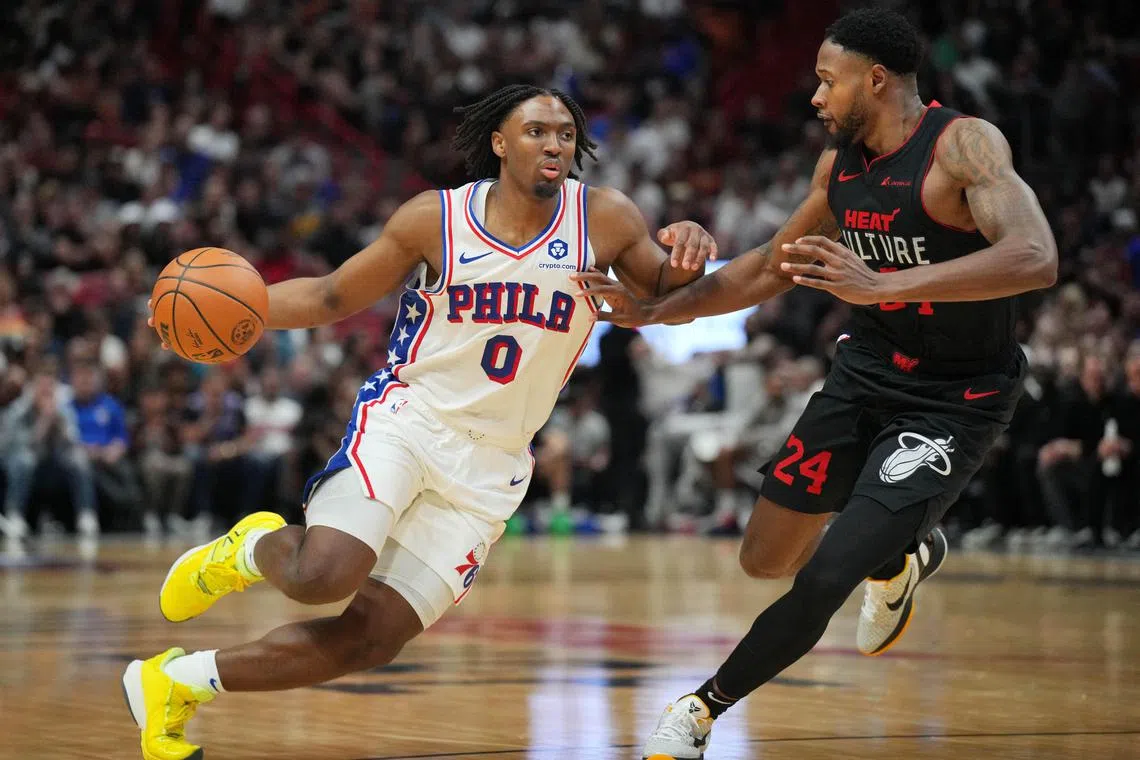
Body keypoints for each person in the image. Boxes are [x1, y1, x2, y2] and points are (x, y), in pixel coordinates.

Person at [121, 84, 718, 760]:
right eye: (536, 131)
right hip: (411, 419)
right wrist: (230, 318)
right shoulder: (436, 219)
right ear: (498, 142)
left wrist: (688, 251)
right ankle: (251, 549)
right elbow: (328, 295)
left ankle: (175, 683)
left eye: (565, 134)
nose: (554, 144)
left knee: (371, 640)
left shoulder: (604, 218)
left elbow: (669, 292)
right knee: (324, 575)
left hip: (495, 462)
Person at [572, 9, 1057, 758]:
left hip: (954, 398)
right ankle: (901, 555)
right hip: (864, 373)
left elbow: (1034, 255)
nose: (815, 97)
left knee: (828, 573)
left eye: (828, 81)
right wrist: (656, 311)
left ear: (876, 79)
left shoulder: (962, 145)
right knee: (765, 557)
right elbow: (771, 264)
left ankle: (698, 713)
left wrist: (888, 286)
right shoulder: (841, 167)